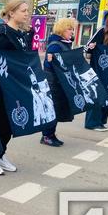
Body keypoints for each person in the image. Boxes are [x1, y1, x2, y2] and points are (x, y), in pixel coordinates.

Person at [0, 0, 31, 176]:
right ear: (11, 13)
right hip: (0, 85)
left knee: (11, 122)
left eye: (27, 10)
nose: (26, 13)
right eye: (23, 10)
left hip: (16, 85)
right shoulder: (1, 32)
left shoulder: (23, 34)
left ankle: (0, 154)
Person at [41, 18, 77, 147]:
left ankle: (51, 134)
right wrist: (52, 59)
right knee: (52, 109)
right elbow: (48, 63)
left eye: (72, 29)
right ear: (62, 29)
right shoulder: (56, 44)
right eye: (69, 29)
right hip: (53, 81)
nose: (71, 32)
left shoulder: (63, 42)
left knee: (56, 109)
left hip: (59, 81)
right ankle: (46, 135)